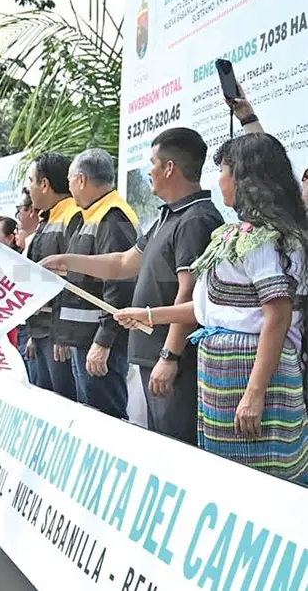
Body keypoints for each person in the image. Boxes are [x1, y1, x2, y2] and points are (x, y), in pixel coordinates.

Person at [115, 133, 308, 484]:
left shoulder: (271, 240)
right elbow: (207, 309)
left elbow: (276, 316)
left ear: (244, 177)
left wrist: (254, 392)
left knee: (265, 480)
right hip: (222, 382)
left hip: (255, 379)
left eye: (223, 170)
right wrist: (148, 316)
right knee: (226, 478)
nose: (218, 179)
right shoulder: (234, 236)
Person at [41, 128, 223, 443]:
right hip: (153, 356)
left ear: (169, 168)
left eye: (152, 162)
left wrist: (170, 356)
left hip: (172, 360)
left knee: (177, 447)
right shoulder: (169, 217)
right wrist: (68, 261)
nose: (148, 171)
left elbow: (189, 295)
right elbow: (124, 263)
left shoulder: (196, 220)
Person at [52, 148, 138, 420]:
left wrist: (103, 341)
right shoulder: (88, 216)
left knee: (105, 419)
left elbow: (120, 286)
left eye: (69, 181)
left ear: (81, 180)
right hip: (83, 339)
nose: (69, 188)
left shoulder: (113, 217)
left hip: (100, 343)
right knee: (88, 416)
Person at [24, 154, 81, 397]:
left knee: (65, 402)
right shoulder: (47, 219)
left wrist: (63, 333)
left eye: (30, 180)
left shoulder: (72, 216)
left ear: (45, 184)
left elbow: (75, 281)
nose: (28, 187)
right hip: (42, 332)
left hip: (58, 336)